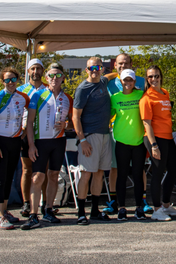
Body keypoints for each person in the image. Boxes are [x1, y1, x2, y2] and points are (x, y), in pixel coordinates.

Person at [21, 63, 73, 230]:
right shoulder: (37, 96)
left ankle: (49, 210)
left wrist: (66, 126)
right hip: (40, 141)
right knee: (37, 177)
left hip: (58, 141)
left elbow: (72, 123)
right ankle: (33, 215)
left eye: (58, 76)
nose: (54, 79)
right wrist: (31, 145)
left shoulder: (67, 98)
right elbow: (29, 122)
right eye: (51, 76)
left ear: (63, 78)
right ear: (46, 78)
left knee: (53, 176)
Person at [105, 53, 149, 215]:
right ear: (115, 65)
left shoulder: (142, 83)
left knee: (139, 171)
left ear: (131, 65)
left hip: (138, 135)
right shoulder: (109, 83)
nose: (123, 66)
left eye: (126, 63)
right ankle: (115, 201)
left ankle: (142, 201)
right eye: (120, 64)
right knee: (115, 169)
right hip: (117, 135)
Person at [72, 57, 113, 225]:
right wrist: (82, 140)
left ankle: (95, 210)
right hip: (90, 136)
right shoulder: (83, 89)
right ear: (86, 69)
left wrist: (120, 73)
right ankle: (81, 212)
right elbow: (75, 117)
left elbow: (111, 76)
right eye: (91, 67)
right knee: (86, 174)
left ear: (102, 68)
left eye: (98, 67)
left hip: (105, 134)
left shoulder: (103, 81)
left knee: (99, 174)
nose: (95, 70)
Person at [0, 67, 30, 229]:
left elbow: (31, 112)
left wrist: (24, 131)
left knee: (8, 178)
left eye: (13, 79)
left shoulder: (21, 97)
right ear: (2, 81)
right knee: (0, 179)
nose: (11, 82)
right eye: (7, 80)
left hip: (15, 142)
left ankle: (4, 211)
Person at [140, 65, 176, 221]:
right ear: (147, 79)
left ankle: (165, 204)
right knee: (157, 173)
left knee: (174, 169)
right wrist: (154, 145)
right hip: (155, 138)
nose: (154, 79)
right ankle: (156, 209)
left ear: (161, 77)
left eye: (156, 76)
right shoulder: (147, 98)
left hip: (168, 137)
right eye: (150, 77)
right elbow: (147, 124)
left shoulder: (165, 93)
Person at [17, 58, 46, 217]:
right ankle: (26, 203)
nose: (36, 72)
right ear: (28, 71)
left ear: (43, 71)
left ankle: (46, 203)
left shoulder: (48, 89)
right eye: (32, 69)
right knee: (27, 170)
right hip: (24, 135)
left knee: (44, 171)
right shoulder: (21, 90)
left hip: (44, 136)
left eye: (38, 69)